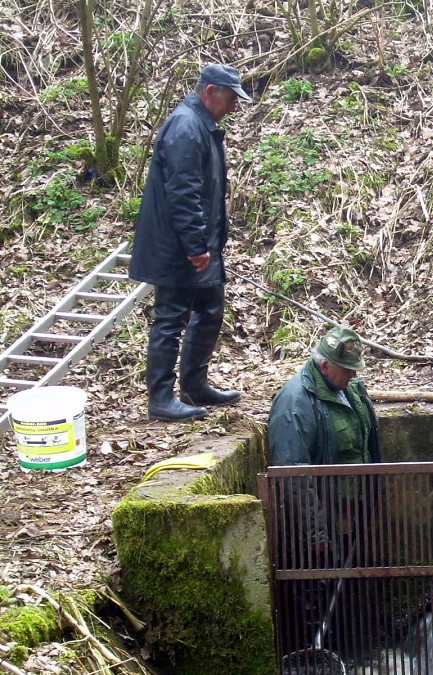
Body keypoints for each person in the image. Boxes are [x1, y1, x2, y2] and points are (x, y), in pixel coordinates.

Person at [129, 63, 251, 421]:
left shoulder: (201, 124)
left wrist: (208, 242)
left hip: (201, 243)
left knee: (210, 310)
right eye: (230, 98)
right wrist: (195, 245)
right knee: (170, 318)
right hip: (178, 247)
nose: (234, 106)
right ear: (210, 91)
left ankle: (195, 385)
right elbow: (183, 192)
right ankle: (161, 399)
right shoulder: (186, 126)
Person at [268, 324, 382, 558]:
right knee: (318, 585)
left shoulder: (349, 386)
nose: (354, 374)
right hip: (323, 521)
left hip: (350, 512)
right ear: (325, 366)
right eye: (348, 369)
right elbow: (292, 472)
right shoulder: (295, 403)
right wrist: (315, 534)